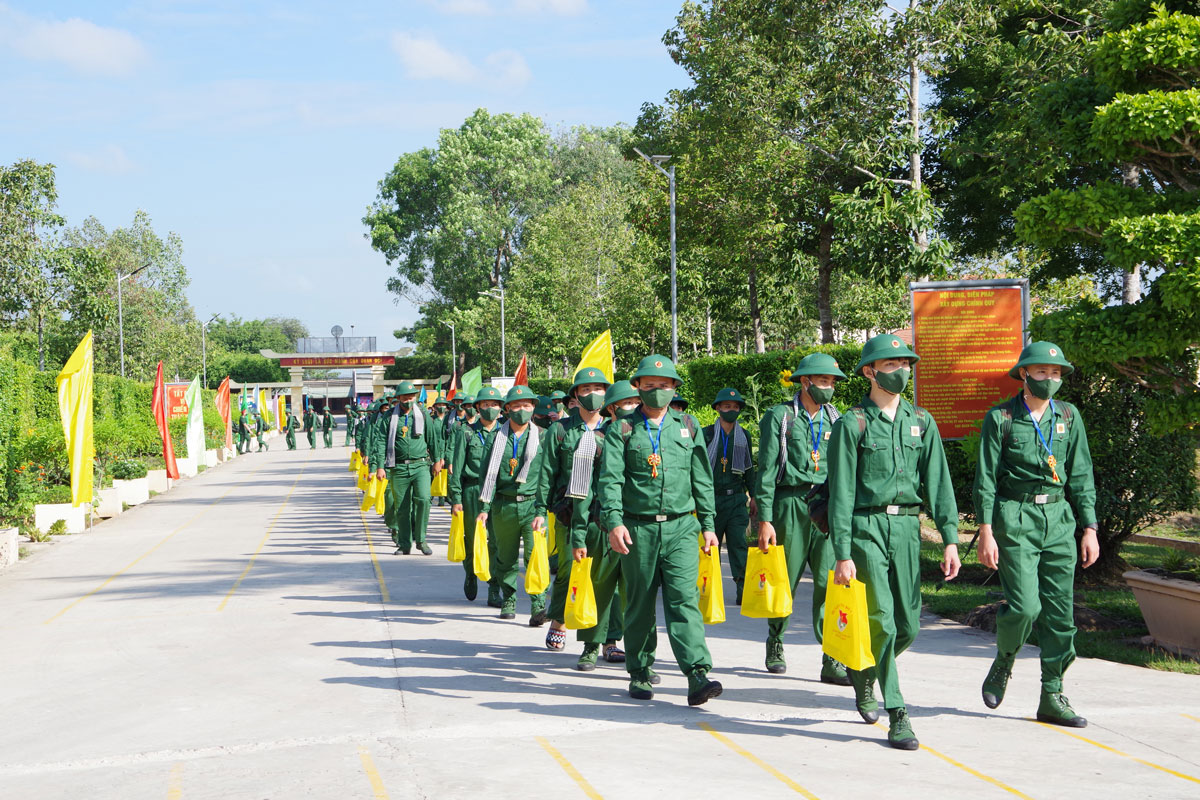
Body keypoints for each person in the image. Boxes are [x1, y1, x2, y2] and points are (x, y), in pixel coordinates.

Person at [828, 334, 960, 751]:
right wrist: (843, 553)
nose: (901, 371)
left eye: (906, 364)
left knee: (908, 625)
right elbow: (842, 493)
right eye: (890, 365)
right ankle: (898, 711)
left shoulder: (921, 419)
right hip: (866, 529)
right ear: (869, 371)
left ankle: (864, 674)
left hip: (906, 529)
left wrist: (951, 540)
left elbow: (939, 484)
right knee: (882, 619)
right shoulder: (853, 423)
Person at [974, 341, 1098, 728]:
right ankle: (1005, 659)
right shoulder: (1001, 419)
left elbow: (1080, 473)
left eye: (1056, 373)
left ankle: (1053, 694)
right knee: (1026, 607)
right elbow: (986, 480)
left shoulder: (1068, 415)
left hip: (1058, 517)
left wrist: (1089, 527)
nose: (1050, 379)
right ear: (1024, 374)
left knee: (1061, 615)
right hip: (1016, 516)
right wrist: (985, 531)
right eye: (1042, 372)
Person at [599, 355, 722, 706]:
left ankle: (697, 673)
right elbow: (610, 480)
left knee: (684, 601)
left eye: (664, 385)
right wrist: (614, 522)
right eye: (649, 385)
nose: (657, 391)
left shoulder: (689, 426)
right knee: (639, 604)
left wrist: (709, 525)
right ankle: (639, 671)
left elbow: (702, 478)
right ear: (637, 387)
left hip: (682, 527)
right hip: (638, 529)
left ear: (674, 389)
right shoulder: (621, 429)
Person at [754, 353, 850, 684]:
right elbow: (766, 470)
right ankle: (775, 639)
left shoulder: (837, 419)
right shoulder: (781, 417)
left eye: (833, 382)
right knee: (785, 580)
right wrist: (765, 519)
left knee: (829, 583)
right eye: (824, 381)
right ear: (805, 382)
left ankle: (832, 659)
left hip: (825, 507)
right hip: (790, 504)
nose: (829, 388)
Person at [535, 367, 624, 668]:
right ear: (575, 395)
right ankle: (559, 620)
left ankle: (608, 641)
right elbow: (546, 472)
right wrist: (540, 509)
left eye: (599, 388)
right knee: (569, 570)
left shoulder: (615, 429)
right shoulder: (561, 430)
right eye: (585, 389)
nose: (593, 394)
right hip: (568, 513)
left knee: (609, 579)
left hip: (606, 515)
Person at [477, 386, 547, 622]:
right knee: (505, 558)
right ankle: (509, 599)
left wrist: (542, 509)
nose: (521, 411)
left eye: (527, 406)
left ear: (533, 408)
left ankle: (538, 603)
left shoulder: (542, 436)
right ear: (507, 410)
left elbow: (545, 476)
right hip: (503, 506)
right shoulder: (496, 437)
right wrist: (485, 508)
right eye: (516, 406)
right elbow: (487, 474)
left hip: (531, 506)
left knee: (534, 556)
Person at [370, 382, 441, 556]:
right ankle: (404, 544)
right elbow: (380, 442)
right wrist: (380, 466)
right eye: (405, 397)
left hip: (421, 465)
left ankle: (422, 540)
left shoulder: (423, 414)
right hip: (398, 467)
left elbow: (433, 438)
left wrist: (438, 459)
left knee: (424, 499)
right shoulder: (388, 417)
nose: (408, 400)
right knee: (401, 507)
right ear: (398, 398)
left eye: (411, 397)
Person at [703, 388, 756, 609]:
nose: (731, 410)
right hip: (711, 499)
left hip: (735, 499)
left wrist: (754, 496)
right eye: (726, 407)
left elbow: (750, 469)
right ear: (717, 408)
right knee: (709, 548)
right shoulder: (706, 434)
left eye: (735, 407)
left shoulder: (744, 435)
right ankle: (707, 590)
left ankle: (743, 588)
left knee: (738, 545)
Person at [449, 387, 504, 603]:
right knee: (473, 540)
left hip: (498, 493)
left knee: (496, 543)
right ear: (478, 407)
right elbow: (458, 467)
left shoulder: (505, 431)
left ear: (501, 408)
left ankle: (494, 588)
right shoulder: (467, 432)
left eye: (495, 404)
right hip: (472, 492)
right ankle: (471, 573)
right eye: (486, 404)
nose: (490, 409)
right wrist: (455, 499)